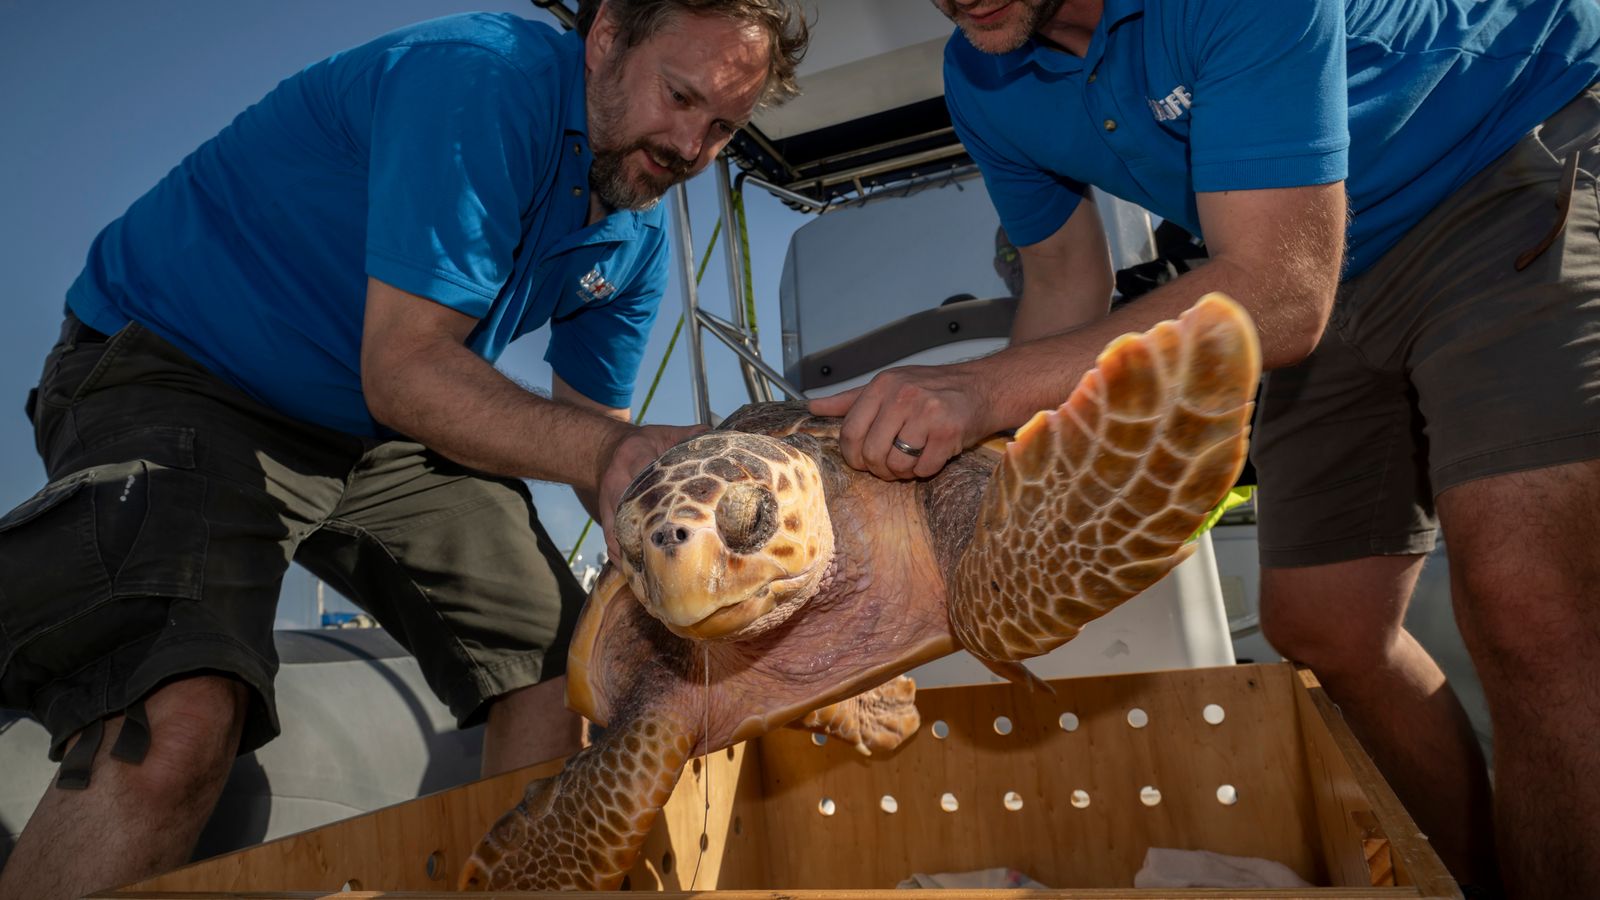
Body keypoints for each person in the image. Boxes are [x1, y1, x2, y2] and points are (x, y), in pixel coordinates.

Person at [0, 1, 806, 898]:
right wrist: (612, 452)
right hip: (186, 369)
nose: (691, 148)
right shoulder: (482, 80)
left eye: (723, 127)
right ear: (608, 34)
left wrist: (726, 608)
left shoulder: (636, 234)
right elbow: (410, 369)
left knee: (566, 672)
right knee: (176, 728)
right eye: (680, 95)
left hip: (379, 427)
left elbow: (596, 454)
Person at [811, 0, 1600, 895]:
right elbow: (1065, 284)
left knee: (1535, 604)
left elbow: (1278, 293)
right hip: (1323, 263)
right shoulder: (980, 73)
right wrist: (963, 489)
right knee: (1324, 627)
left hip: (1497, 163)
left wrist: (981, 388)